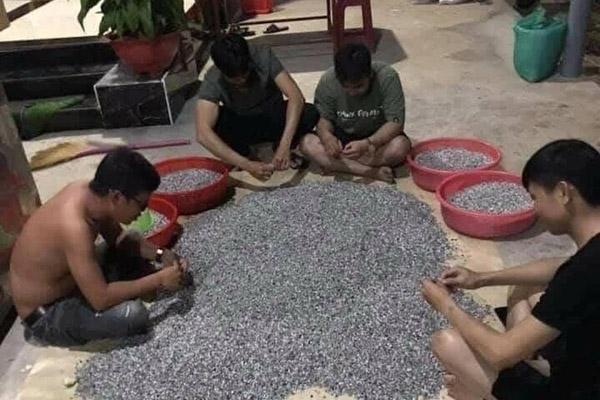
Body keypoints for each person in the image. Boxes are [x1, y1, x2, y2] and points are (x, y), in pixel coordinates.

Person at [421, 139, 600, 400]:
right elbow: (562, 267)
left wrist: (444, 303)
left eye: (535, 197)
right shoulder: (590, 256)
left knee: (447, 343)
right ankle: (527, 359)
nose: (534, 208)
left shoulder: (583, 273)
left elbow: (499, 354)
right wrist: (480, 278)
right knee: (525, 286)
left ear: (563, 193)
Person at [9, 148, 188, 347]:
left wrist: (160, 254)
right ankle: (55, 329)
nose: (142, 212)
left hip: (72, 284)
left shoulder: (91, 196)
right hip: (45, 314)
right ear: (117, 197)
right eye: (141, 205)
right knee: (133, 315)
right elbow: (101, 299)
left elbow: (118, 239)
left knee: (131, 242)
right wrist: (159, 280)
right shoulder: (74, 227)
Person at [195, 33, 319, 181]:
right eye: (235, 79)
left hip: (272, 116)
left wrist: (284, 145)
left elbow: (295, 96)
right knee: (216, 124)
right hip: (243, 123)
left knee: (309, 112)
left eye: (244, 75)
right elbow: (203, 134)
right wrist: (247, 164)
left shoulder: (262, 55)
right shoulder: (213, 77)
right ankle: (246, 155)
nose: (241, 81)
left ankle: (281, 146)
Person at [300, 43, 411, 183]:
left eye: (358, 86)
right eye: (346, 87)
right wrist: (327, 138)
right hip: (343, 137)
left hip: (376, 136)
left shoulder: (387, 77)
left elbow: (395, 123)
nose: (352, 92)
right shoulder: (328, 81)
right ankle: (371, 172)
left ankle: (338, 165)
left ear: (370, 74)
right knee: (307, 143)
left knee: (400, 147)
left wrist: (368, 143)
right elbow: (324, 119)